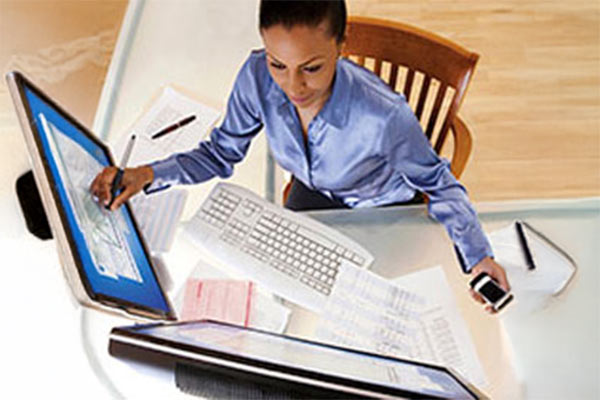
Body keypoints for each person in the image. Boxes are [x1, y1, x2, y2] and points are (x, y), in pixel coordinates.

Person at [90, 0, 509, 312]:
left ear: (341, 46)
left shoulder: (384, 115)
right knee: (287, 302)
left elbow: (439, 183)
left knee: (372, 313)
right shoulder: (256, 76)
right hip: (310, 193)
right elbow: (220, 153)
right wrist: (146, 174)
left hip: (379, 209)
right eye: (278, 63)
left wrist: (479, 256)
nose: (293, 86)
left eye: (311, 68)